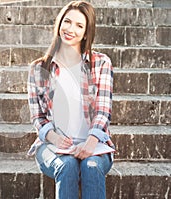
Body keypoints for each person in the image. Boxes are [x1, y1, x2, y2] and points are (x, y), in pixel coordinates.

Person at [27, 1, 115, 198]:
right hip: (52, 146)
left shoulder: (101, 63)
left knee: (91, 166)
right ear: (59, 23)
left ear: (86, 33)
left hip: (95, 145)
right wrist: (55, 138)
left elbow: (103, 110)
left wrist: (91, 141)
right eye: (67, 22)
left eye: (79, 25)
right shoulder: (38, 69)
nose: (70, 29)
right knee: (66, 166)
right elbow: (38, 118)